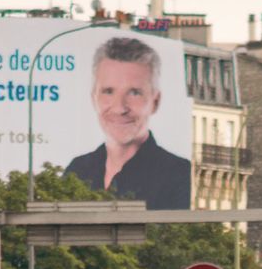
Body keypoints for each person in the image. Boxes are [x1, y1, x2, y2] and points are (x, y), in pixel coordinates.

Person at [64, 36, 191, 210]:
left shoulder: (179, 174)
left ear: (155, 101)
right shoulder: (77, 171)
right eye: (108, 91)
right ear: (93, 98)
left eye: (134, 93)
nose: (119, 108)